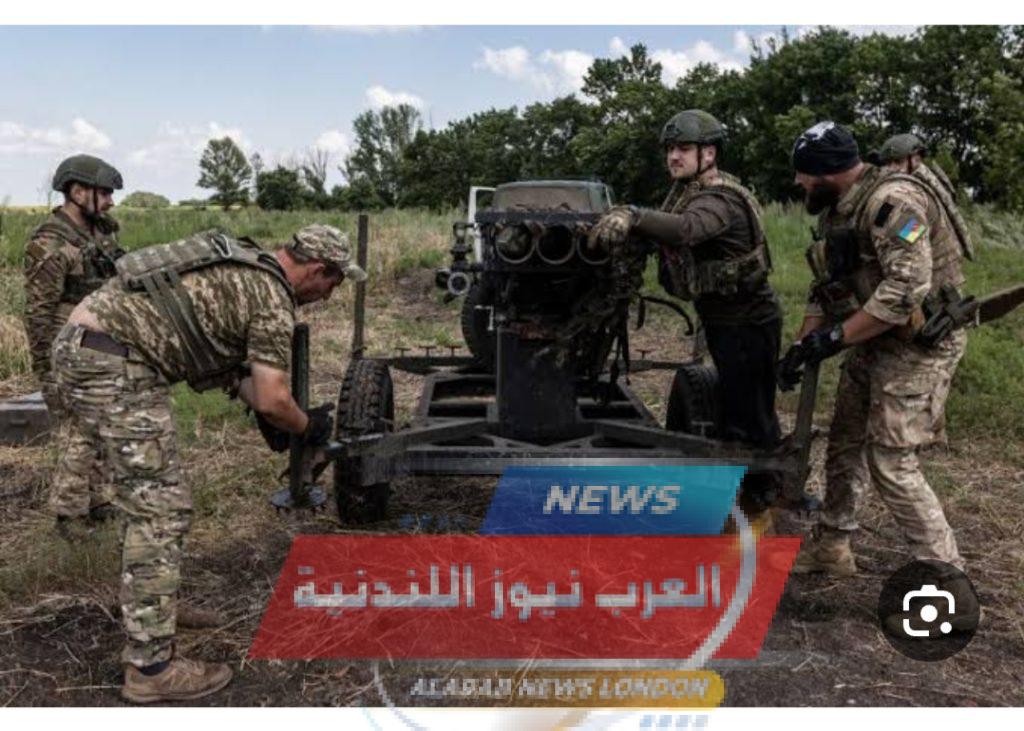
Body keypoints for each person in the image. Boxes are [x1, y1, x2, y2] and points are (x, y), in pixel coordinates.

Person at [51, 223, 366, 702]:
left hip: (89, 349)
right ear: (318, 269)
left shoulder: (245, 266)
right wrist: (306, 426)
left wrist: (278, 413)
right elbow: (272, 397)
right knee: (161, 510)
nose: (328, 296)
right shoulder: (271, 298)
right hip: (113, 363)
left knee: (145, 500)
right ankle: (150, 668)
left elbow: (236, 375)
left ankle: (155, 609)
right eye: (333, 283)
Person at [780, 121, 977, 631]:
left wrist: (835, 338)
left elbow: (906, 291)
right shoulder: (840, 209)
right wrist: (803, 346)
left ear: (828, 172)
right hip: (875, 336)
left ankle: (948, 588)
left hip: (920, 344)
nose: (798, 184)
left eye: (803, 174)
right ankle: (833, 546)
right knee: (845, 438)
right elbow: (827, 285)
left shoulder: (893, 204)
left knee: (892, 461)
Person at [588, 109, 784, 529]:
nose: (673, 157)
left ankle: (760, 509)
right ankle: (751, 500)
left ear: (708, 153)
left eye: (683, 149)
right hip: (725, 317)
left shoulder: (718, 199)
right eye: (670, 149)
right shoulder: (688, 191)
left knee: (749, 422)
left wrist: (634, 215)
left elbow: (687, 230)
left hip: (747, 321)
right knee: (737, 410)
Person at [24, 154, 126, 529]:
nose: (111, 201)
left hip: (100, 346)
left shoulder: (100, 233)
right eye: (105, 193)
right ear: (78, 192)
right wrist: (45, 369)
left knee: (103, 425)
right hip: (65, 352)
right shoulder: (51, 243)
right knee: (76, 433)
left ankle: (99, 500)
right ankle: (69, 515)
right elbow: (38, 313)